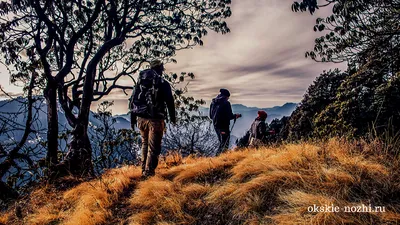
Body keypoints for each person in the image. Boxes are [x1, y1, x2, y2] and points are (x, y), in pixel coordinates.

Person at [130, 60, 176, 178]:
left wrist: (133, 118)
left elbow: (133, 99)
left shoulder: (141, 82)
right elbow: (170, 102)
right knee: (153, 148)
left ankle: (143, 170)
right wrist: (173, 118)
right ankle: (148, 174)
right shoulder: (162, 83)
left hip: (140, 118)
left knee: (145, 144)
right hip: (155, 120)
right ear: (160, 68)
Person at [209, 89, 241, 156]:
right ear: (226, 96)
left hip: (216, 126)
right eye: (228, 97)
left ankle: (218, 157)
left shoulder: (213, 102)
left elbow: (211, 116)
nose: (228, 99)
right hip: (224, 126)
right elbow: (229, 116)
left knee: (222, 142)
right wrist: (235, 116)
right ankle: (221, 158)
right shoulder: (226, 103)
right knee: (225, 143)